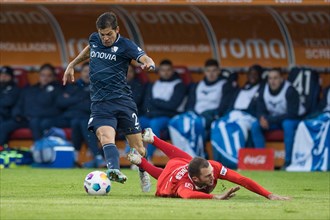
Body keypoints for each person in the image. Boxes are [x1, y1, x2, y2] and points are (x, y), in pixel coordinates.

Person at [62, 12, 155, 191]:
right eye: (102, 34)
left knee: (138, 149)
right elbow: (90, 48)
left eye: (109, 34)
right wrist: (72, 64)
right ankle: (113, 169)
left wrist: (149, 64)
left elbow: (144, 57)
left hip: (123, 102)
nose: (105, 38)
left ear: (117, 30)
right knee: (105, 137)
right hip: (100, 103)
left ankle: (143, 171)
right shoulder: (95, 39)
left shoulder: (126, 45)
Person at [127, 128, 290, 200]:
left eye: (212, 172)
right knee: (164, 176)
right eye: (208, 176)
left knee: (189, 159)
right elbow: (188, 195)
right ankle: (141, 161)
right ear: (196, 179)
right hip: (172, 178)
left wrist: (268, 194)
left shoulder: (214, 167)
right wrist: (215, 197)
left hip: (183, 164)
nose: (213, 177)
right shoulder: (185, 185)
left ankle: (153, 139)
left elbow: (241, 179)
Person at [168, 59, 236, 158]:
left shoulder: (225, 85)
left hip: (211, 117)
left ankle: (198, 156)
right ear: (204, 71)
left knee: (195, 124)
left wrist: (211, 115)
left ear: (218, 71)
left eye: (214, 71)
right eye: (208, 71)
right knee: (174, 122)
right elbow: (190, 105)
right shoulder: (197, 85)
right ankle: (181, 156)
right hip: (194, 115)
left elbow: (223, 107)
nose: (211, 74)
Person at [211, 64, 263, 168]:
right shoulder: (240, 89)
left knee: (235, 128)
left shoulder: (261, 89)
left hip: (247, 117)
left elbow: (259, 108)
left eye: (255, 74)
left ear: (260, 76)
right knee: (217, 124)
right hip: (232, 115)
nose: (252, 76)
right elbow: (231, 106)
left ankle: (234, 160)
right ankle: (219, 159)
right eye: (250, 74)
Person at [250, 68, 304, 168]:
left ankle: (288, 162)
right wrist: (261, 118)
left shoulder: (290, 90)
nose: (273, 81)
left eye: (275, 78)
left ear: (281, 79)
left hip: (293, 120)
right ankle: (262, 161)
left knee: (287, 124)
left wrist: (269, 119)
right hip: (275, 120)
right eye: (270, 78)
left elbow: (292, 113)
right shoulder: (264, 89)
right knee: (255, 125)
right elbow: (259, 108)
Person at [55, 62, 104, 168]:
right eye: (85, 71)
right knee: (79, 121)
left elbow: (91, 106)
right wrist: (80, 99)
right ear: (80, 73)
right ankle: (97, 157)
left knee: (81, 122)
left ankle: (75, 158)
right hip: (71, 117)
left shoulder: (97, 87)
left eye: (90, 72)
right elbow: (61, 102)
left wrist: (72, 101)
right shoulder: (73, 86)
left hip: (90, 118)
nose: (87, 74)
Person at [0, 64, 61, 145]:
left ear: (54, 77)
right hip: (24, 119)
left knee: (36, 122)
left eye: (49, 76)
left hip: (40, 119)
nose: (45, 78)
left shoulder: (58, 90)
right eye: (43, 75)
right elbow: (18, 105)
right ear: (39, 76)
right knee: (4, 126)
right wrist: (17, 115)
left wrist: (34, 115)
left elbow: (56, 109)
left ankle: (40, 152)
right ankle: (2, 151)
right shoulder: (29, 89)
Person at [140, 59, 187, 160]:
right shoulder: (153, 84)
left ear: (172, 71)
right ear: (159, 71)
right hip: (151, 116)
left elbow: (172, 106)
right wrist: (160, 104)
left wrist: (155, 102)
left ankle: (148, 157)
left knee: (154, 125)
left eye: (168, 70)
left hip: (168, 117)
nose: (165, 72)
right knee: (135, 123)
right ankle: (131, 155)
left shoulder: (179, 85)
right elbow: (146, 104)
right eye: (163, 70)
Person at [286, 86, 330, 171]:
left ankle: (323, 160)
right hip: (325, 116)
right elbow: (321, 107)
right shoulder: (327, 89)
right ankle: (301, 159)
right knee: (302, 124)